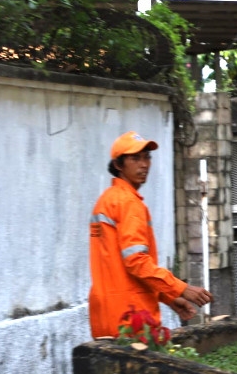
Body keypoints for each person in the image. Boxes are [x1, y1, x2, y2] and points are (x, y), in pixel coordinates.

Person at [89, 132, 212, 338]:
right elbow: (136, 262)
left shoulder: (107, 199)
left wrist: (170, 298)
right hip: (131, 319)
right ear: (118, 165)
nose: (144, 164)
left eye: (147, 157)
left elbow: (120, 268)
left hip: (106, 316)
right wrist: (181, 288)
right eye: (135, 158)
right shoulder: (129, 203)